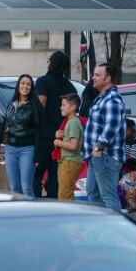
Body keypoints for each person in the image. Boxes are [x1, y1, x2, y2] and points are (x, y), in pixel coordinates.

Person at [33, 51, 76, 198]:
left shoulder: (43, 81)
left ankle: (36, 205)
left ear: (51, 63)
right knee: (56, 175)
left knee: (37, 174)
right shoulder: (71, 87)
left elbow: (41, 105)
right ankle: (53, 204)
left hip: (44, 135)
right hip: (63, 136)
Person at [83, 62, 127, 210]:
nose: (93, 78)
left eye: (97, 75)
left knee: (108, 197)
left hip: (106, 156)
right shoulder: (103, 98)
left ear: (107, 79)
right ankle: (99, 232)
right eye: (94, 74)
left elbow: (111, 126)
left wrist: (97, 147)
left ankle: (115, 232)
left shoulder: (112, 99)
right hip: (97, 156)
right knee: (93, 195)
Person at [0, 74, 42, 198]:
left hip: (27, 149)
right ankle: (18, 215)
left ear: (31, 87)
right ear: (18, 85)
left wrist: (38, 155)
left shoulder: (34, 104)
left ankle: (31, 216)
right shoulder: (11, 103)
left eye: (28, 84)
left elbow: (39, 129)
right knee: (14, 188)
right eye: (22, 83)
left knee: (26, 188)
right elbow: (4, 125)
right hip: (10, 149)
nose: (25, 86)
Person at [52, 93, 84, 202]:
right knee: (66, 193)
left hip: (69, 161)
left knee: (64, 195)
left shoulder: (73, 123)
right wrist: (59, 137)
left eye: (64, 105)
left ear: (73, 107)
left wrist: (57, 142)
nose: (61, 107)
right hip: (67, 161)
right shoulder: (70, 122)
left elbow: (73, 145)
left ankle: (67, 217)